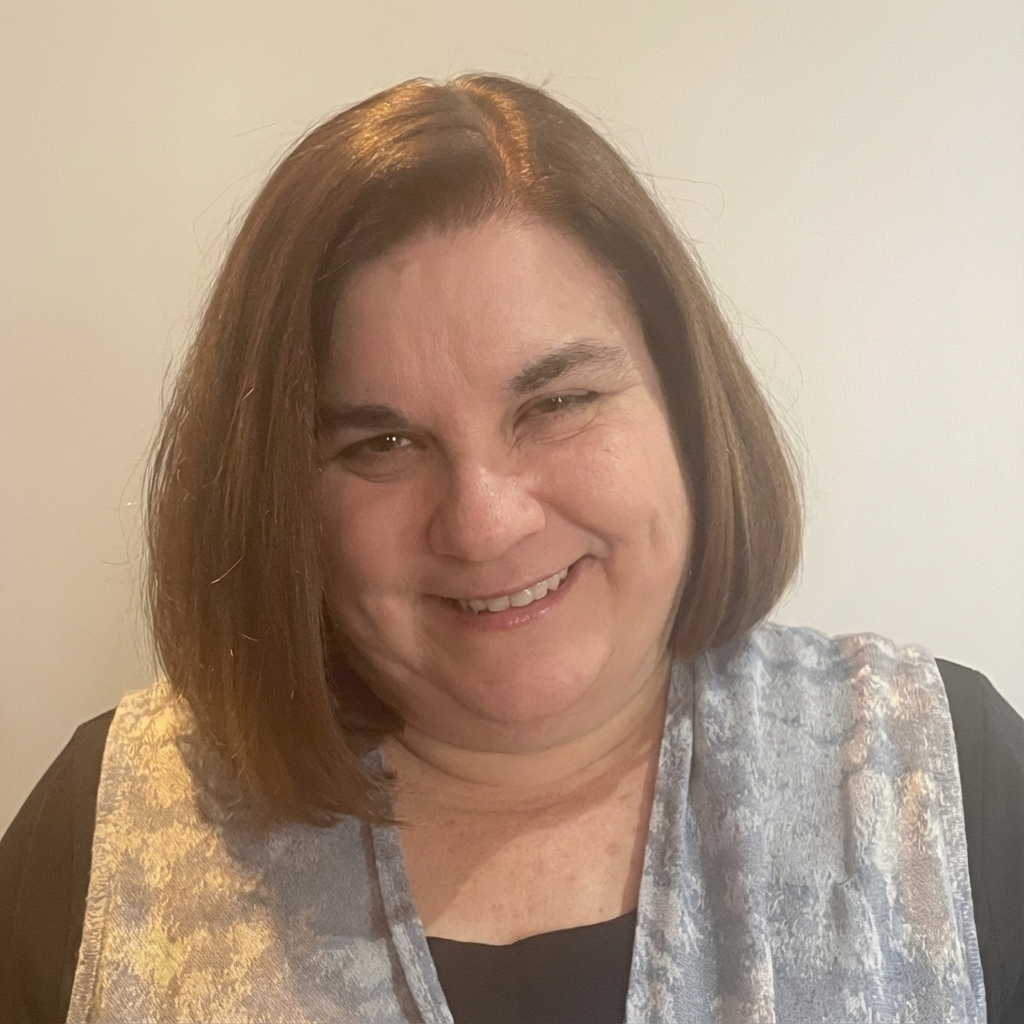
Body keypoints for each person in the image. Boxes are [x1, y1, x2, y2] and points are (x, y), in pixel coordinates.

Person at [0, 74, 1021, 1024]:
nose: (485, 522)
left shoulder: (935, 777)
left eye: (559, 403)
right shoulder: (112, 828)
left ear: (685, 406)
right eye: (382, 444)